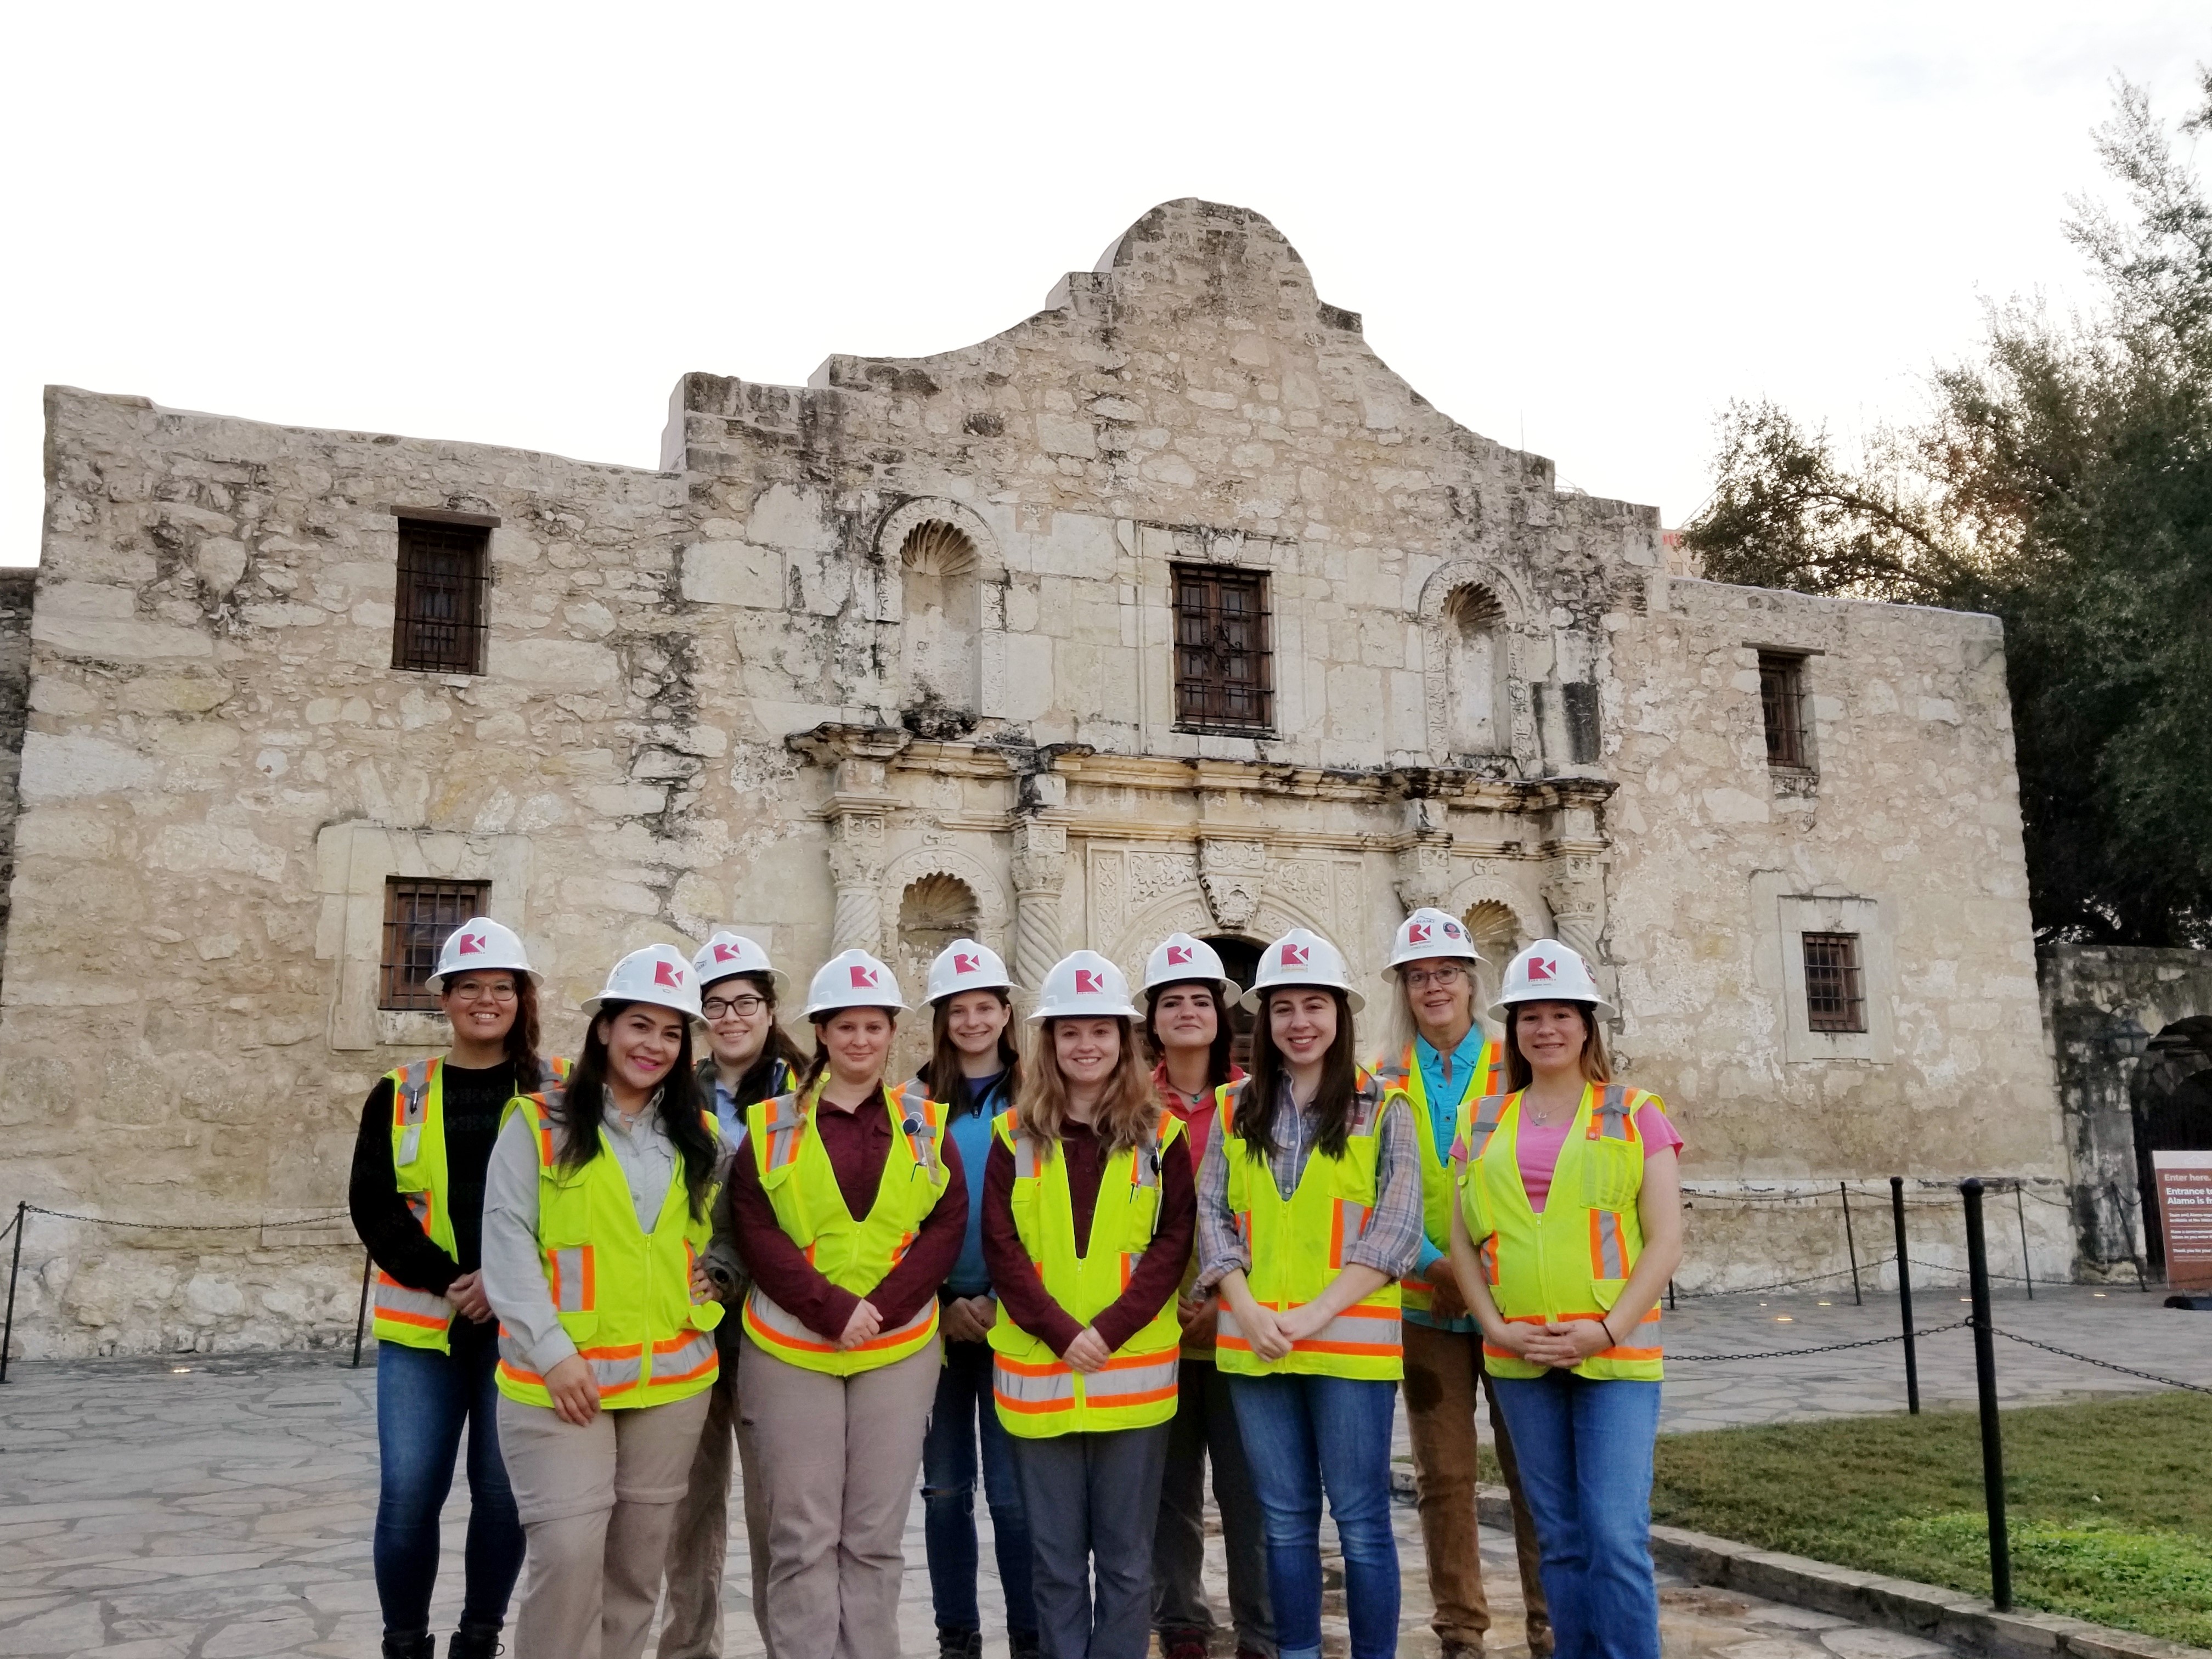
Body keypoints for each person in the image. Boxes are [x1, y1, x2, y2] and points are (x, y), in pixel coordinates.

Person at [482, 943, 725, 1659]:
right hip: (563, 1381)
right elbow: (507, 1243)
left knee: (636, 1571)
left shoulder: (700, 1135)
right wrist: (553, 1354)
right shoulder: (537, 1123)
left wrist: (719, 1272)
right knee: (567, 1556)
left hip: (672, 1380)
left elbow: (728, 1229)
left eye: (672, 1032)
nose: (655, 1045)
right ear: (604, 1029)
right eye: (639, 1025)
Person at [727, 949, 969, 1659]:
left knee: (873, 1538)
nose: (860, 1040)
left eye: (874, 1026)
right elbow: (755, 1227)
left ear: (893, 1032)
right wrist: (830, 1309)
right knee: (802, 1538)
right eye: (845, 1026)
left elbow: (946, 1223)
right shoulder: (771, 1125)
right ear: (821, 1034)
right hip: (791, 1348)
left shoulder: (926, 1125)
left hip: (896, 1349)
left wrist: (884, 1308)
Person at [1449, 941, 1683, 1659]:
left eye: (1561, 1015)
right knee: (1558, 1538)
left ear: (1587, 1025)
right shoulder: (1481, 1119)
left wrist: (1606, 1331)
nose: (1545, 1029)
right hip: (1520, 1356)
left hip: (1615, 1357)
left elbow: (1665, 1240)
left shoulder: (1636, 1112)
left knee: (1615, 1536)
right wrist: (1495, 1329)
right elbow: (1462, 1242)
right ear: (1512, 1030)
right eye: (1530, 1017)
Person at [1199, 929, 1421, 1659]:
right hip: (1258, 1342)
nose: (1299, 1022)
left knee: (1361, 1522)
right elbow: (1214, 1216)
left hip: (1349, 1351)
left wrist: (1312, 1315)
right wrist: (1248, 1309)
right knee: (1285, 1522)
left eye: (1314, 1006)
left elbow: (1394, 1232)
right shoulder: (1235, 1108)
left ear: (1340, 1014)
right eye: (1283, 1007)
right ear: (1264, 1019)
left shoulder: (1384, 1107)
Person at [349, 917, 563, 1659]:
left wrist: (504, 1284)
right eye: (469, 987)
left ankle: (479, 1640)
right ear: (443, 998)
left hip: (522, 1330)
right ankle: (405, 1642)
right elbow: (374, 1205)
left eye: (502, 987)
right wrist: (451, 1281)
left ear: (522, 998)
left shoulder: (563, 1089)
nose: (485, 1000)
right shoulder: (398, 1092)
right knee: (409, 1493)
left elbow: (578, 1204)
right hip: (425, 1330)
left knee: (503, 1496)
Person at [983, 950, 1195, 1659]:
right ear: (1048, 1043)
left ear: (1124, 1042)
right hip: (1040, 1377)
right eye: (1069, 1032)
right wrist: (1059, 1330)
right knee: (1056, 1565)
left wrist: (1106, 1331)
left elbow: (1172, 1242)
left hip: (1128, 1377)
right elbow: (1002, 1246)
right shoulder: (1012, 1136)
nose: (1085, 1045)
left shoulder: (1162, 1136)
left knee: (1128, 1564)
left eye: (1101, 1031)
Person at [1375, 909, 1551, 1659]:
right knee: (1443, 1475)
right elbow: (1375, 1188)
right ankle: (1460, 1627)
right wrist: (1432, 1263)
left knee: (1533, 1471)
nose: (1434, 987)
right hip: (1427, 1302)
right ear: (1403, 988)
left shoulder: (1521, 1062)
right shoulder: (1382, 1077)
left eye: (1446, 972)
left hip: (1514, 1300)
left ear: (1472, 980)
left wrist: (1478, 1272)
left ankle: (1548, 1619)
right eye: (1418, 976)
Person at [663, 931, 809, 1659]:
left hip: (770, 1324)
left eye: (744, 1002)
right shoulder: (670, 1091)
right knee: (687, 1511)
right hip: (686, 1322)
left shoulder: (806, 1093)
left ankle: (788, 1648)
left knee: (776, 1513)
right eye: (714, 1005)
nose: (730, 1018)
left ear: (770, 1008)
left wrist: (728, 1270)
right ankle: (689, 1650)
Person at [1141, 933, 1274, 1659]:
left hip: (1241, 1317)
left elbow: (1278, 1211)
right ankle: (1182, 1620)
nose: (1188, 1011)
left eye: (1201, 999)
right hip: (1156, 1322)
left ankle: (1261, 1627)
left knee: (1249, 1488)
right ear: (1152, 1019)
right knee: (1169, 1489)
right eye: (1172, 1001)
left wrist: (1230, 1301)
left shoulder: (1259, 1099)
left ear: (1223, 1014)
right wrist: (1161, 1305)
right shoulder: (1131, 1103)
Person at [915, 938, 1040, 1659]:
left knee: (1014, 1494)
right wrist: (939, 1301)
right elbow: (897, 1216)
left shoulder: (1038, 1097)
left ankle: (1028, 1633)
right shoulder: (913, 1102)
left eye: (984, 1007)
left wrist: (1002, 1298)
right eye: (957, 1010)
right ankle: (956, 1633)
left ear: (1005, 1013)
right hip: (932, 1320)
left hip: (1015, 1317)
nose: (971, 1022)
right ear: (941, 1018)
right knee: (944, 1490)